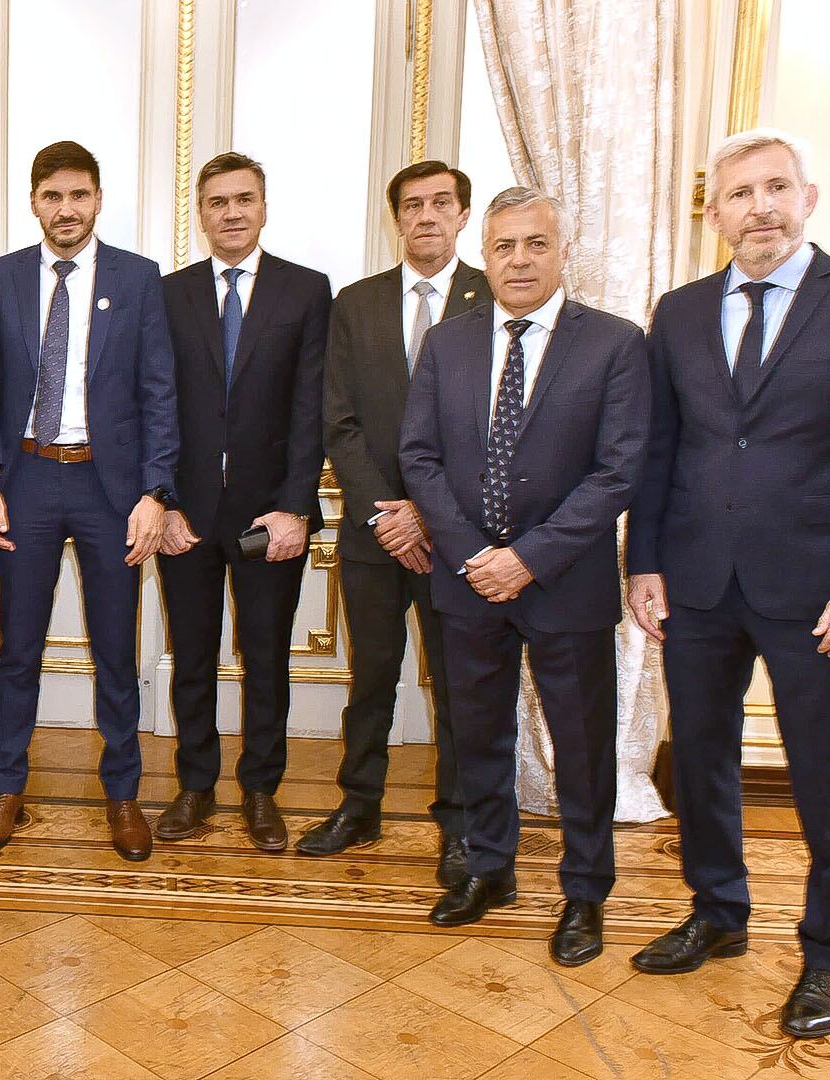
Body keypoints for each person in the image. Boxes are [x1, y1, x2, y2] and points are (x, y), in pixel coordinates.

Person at [625, 128, 830, 1038]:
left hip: (820, 593)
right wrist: (643, 561)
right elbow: (660, 450)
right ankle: (718, 914)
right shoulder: (677, 313)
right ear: (712, 212)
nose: (758, 207)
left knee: (828, 778)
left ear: (807, 198)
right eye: (738, 194)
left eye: (775, 189)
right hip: (698, 584)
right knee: (704, 762)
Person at [398, 186, 649, 967]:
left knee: (579, 745)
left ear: (561, 249)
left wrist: (528, 558)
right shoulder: (449, 342)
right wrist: (478, 555)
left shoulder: (612, 343)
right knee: (478, 735)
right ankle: (489, 869)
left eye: (535, 244)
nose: (519, 260)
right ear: (486, 253)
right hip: (467, 579)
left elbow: (618, 472)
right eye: (504, 246)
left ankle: (584, 894)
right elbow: (420, 457)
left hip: (564, 582)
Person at [0, 141, 179, 861]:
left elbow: (160, 392)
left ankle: (123, 797)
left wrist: (156, 492)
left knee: (116, 650)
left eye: (80, 196)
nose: (67, 210)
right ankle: (6, 790)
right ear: (34, 201)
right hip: (25, 481)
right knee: (17, 650)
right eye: (53, 196)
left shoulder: (138, 278)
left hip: (110, 490)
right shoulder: (0, 278)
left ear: (98, 200)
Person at [304, 160, 489, 882]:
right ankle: (359, 805)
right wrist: (390, 514)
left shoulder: (491, 298)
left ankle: (462, 823)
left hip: (461, 538)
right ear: (397, 219)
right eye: (413, 206)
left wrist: (431, 516)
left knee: (457, 684)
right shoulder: (357, 304)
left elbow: (491, 429)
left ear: (463, 215)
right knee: (372, 676)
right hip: (374, 534)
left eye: (441, 203)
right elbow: (338, 421)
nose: (427, 217)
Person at [153, 152, 329, 852]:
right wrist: (161, 501)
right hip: (186, 515)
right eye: (217, 201)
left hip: (268, 518)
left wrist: (294, 506)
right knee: (191, 654)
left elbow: (311, 406)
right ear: (201, 214)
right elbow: (154, 406)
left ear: (263, 206)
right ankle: (196, 786)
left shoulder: (306, 291)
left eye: (244, 199)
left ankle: (261, 791)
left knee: (266, 657)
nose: (231, 212)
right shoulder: (170, 294)